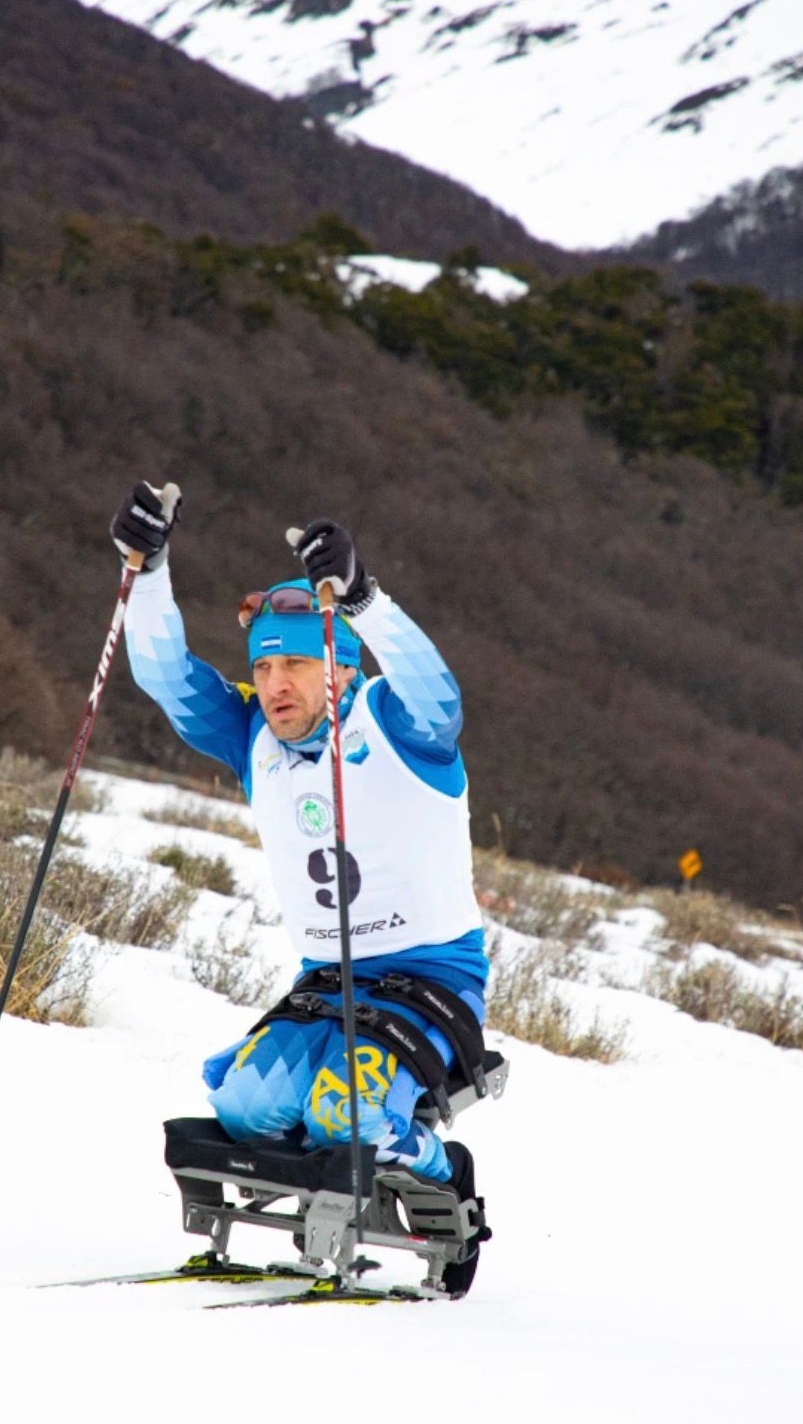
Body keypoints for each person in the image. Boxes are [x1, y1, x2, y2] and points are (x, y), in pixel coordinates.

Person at [112, 481, 488, 1187]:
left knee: (344, 1119)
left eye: (295, 664)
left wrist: (362, 601)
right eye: (263, 665)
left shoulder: (397, 723)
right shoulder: (254, 735)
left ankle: (444, 1171)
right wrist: (149, 570)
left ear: (341, 666)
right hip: (328, 980)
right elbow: (165, 675)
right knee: (245, 1109)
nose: (275, 682)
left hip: (433, 981)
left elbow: (442, 695)